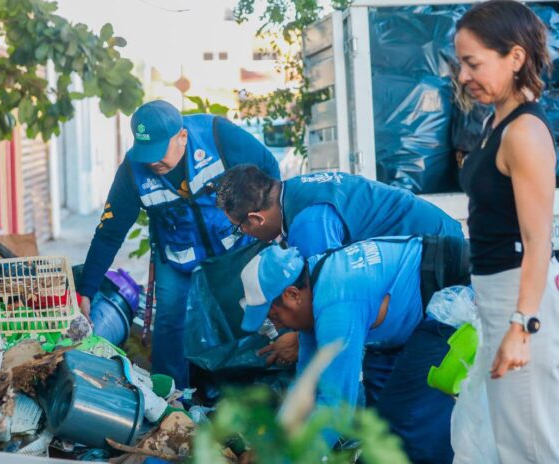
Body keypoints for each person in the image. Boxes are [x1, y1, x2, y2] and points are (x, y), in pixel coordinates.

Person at [216, 166, 463, 403]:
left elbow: (319, 304)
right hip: (424, 249)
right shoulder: (291, 194)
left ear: (256, 218)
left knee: (395, 385)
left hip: (436, 265)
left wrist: (299, 342)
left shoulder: (309, 225)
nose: (244, 235)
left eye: (239, 229)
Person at [78, 100, 280, 389]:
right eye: (146, 153)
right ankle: (173, 398)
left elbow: (269, 169)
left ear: (182, 137)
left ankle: (249, 390)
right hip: (176, 253)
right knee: (171, 324)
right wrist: (86, 290)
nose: (152, 162)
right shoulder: (132, 172)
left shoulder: (217, 135)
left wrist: (272, 227)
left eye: (159, 152)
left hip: (235, 246)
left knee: (247, 313)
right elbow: (110, 232)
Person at [239, 236, 470, 463]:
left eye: (274, 316)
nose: (278, 326)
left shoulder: (336, 304)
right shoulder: (315, 282)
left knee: (403, 421)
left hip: (457, 296)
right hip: (435, 288)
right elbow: (306, 387)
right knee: (388, 417)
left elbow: (337, 406)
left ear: (292, 295)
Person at [456, 1, 559, 462]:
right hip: (497, 299)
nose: (463, 76)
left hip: (520, 302)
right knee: (495, 438)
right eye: (462, 63)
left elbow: (539, 241)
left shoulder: (525, 133)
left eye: (473, 63)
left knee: (531, 446)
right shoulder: (492, 123)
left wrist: (522, 325)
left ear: (515, 57)